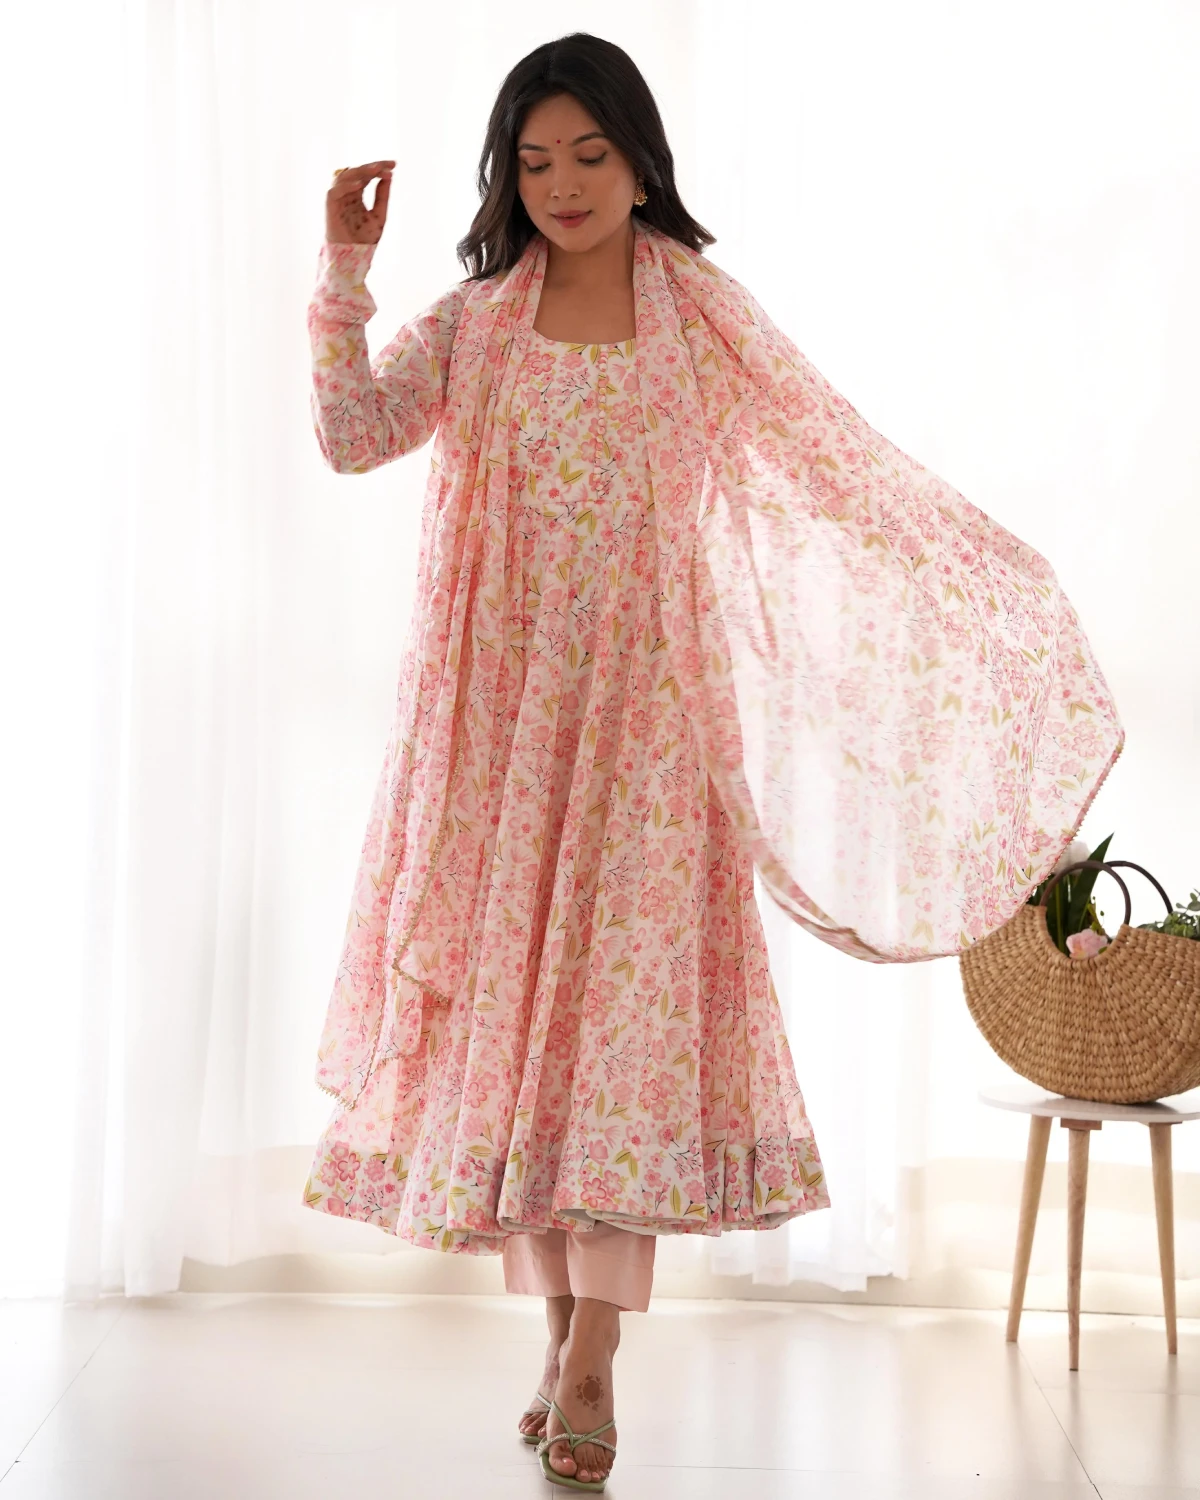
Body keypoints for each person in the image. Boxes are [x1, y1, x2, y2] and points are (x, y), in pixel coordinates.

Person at [302, 31, 1122, 1495]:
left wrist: (971, 579)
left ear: (641, 160)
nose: (562, 185)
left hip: (656, 733)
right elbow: (354, 437)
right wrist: (342, 271)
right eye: (533, 163)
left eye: (589, 154)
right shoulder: (478, 324)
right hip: (503, 737)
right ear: (507, 179)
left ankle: (597, 1356)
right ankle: (558, 1336)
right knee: (532, 1047)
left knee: (622, 1040)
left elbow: (833, 462)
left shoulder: (704, 317)